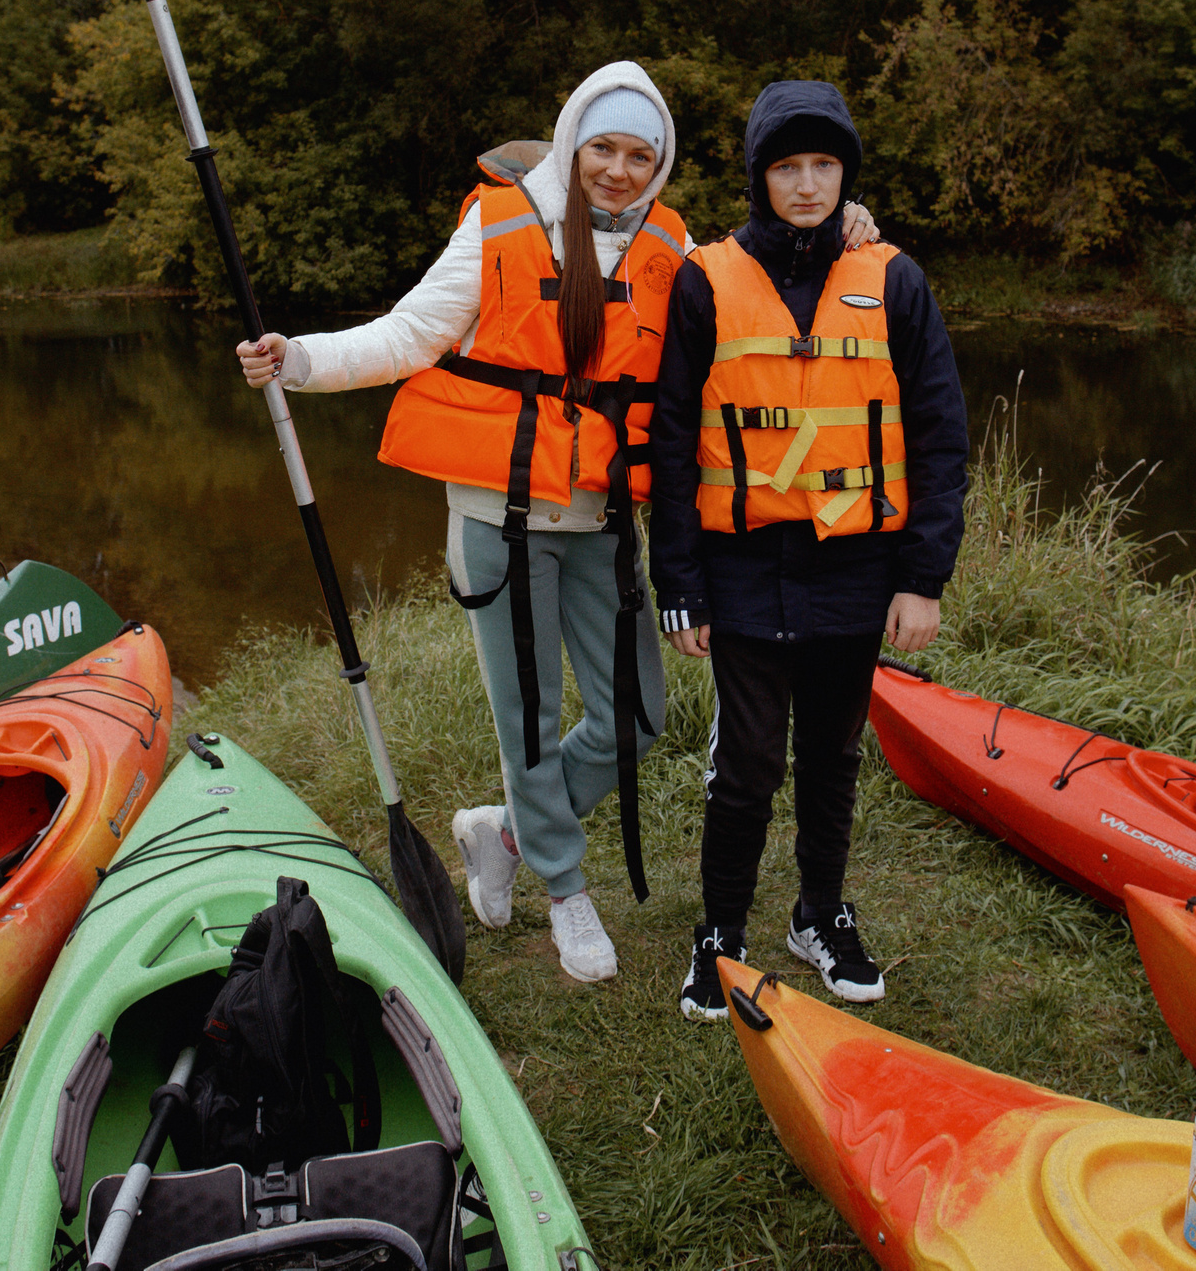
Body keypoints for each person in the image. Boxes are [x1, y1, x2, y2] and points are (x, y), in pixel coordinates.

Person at [234, 62, 876, 984]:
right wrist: (297, 358)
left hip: (606, 518)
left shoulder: (673, 244)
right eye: (603, 148)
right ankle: (566, 888)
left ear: (659, 166)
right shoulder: (496, 224)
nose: (617, 169)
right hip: (501, 515)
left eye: (638, 154)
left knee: (640, 713)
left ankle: (503, 834)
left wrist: (851, 231)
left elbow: (759, 281)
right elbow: (409, 334)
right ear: (574, 141)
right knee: (529, 719)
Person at [648, 79, 968, 1020]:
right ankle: (720, 930)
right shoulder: (707, 280)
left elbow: (940, 435)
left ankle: (820, 913)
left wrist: (922, 575)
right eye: (787, 166)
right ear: (758, 176)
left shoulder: (895, 278)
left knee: (832, 754)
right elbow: (671, 440)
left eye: (824, 165)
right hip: (743, 569)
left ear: (846, 175)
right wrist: (681, 581)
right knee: (746, 762)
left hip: (856, 571)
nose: (806, 183)